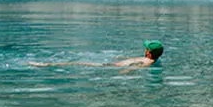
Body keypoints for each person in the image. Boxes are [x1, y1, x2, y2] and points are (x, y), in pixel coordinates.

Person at [30, 40, 164, 68]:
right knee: (80, 62)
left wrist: (124, 72)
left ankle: (46, 65)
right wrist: (122, 58)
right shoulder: (151, 60)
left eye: (146, 48)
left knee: (78, 63)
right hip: (114, 63)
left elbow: (136, 66)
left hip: (111, 66)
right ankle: (47, 64)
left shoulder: (148, 62)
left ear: (149, 52)